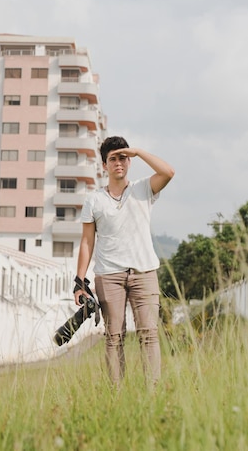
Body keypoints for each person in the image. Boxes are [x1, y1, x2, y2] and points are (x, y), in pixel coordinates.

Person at [74, 136, 175, 386]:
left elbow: (168, 172)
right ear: (104, 165)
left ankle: (152, 395)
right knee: (114, 337)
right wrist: (79, 281)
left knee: (149, 334)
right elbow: (87, 242)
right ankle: (116, 397)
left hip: (144, 273)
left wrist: (139, 151)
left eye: (122, 157)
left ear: (129, 162)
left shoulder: (143, 189)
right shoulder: (94, 200)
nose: (118, 162)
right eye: (112, 159)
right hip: (109, 276)